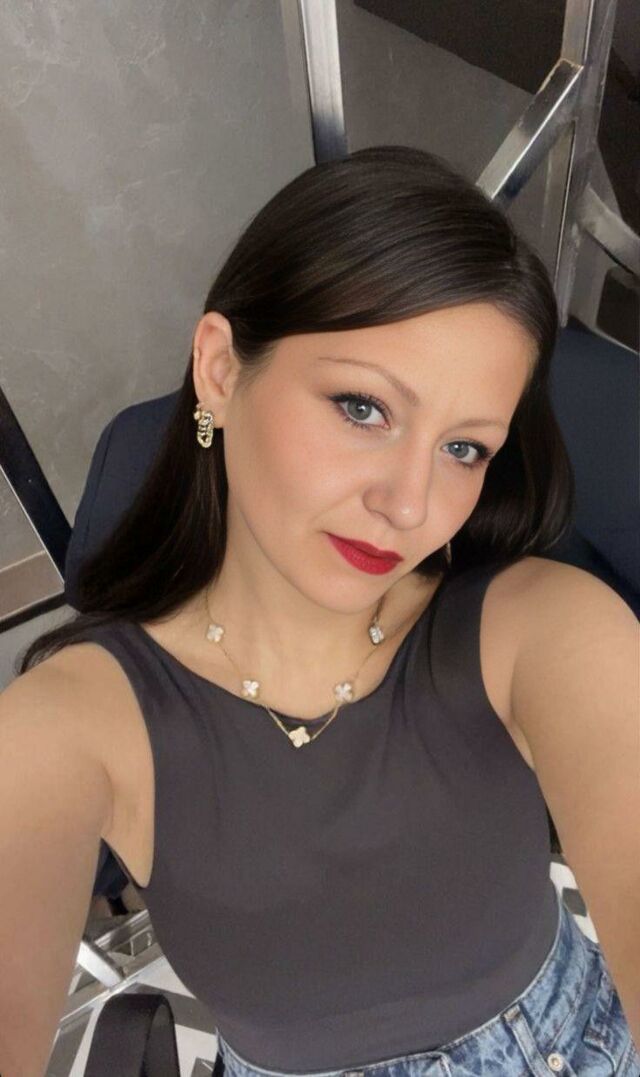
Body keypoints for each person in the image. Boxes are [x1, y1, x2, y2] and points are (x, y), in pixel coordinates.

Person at [1, 145, 638, 1076]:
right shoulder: (71, 724)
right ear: (221, 369)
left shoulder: (540, 627)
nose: (410, 504)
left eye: (464, 448)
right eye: (363, 407)